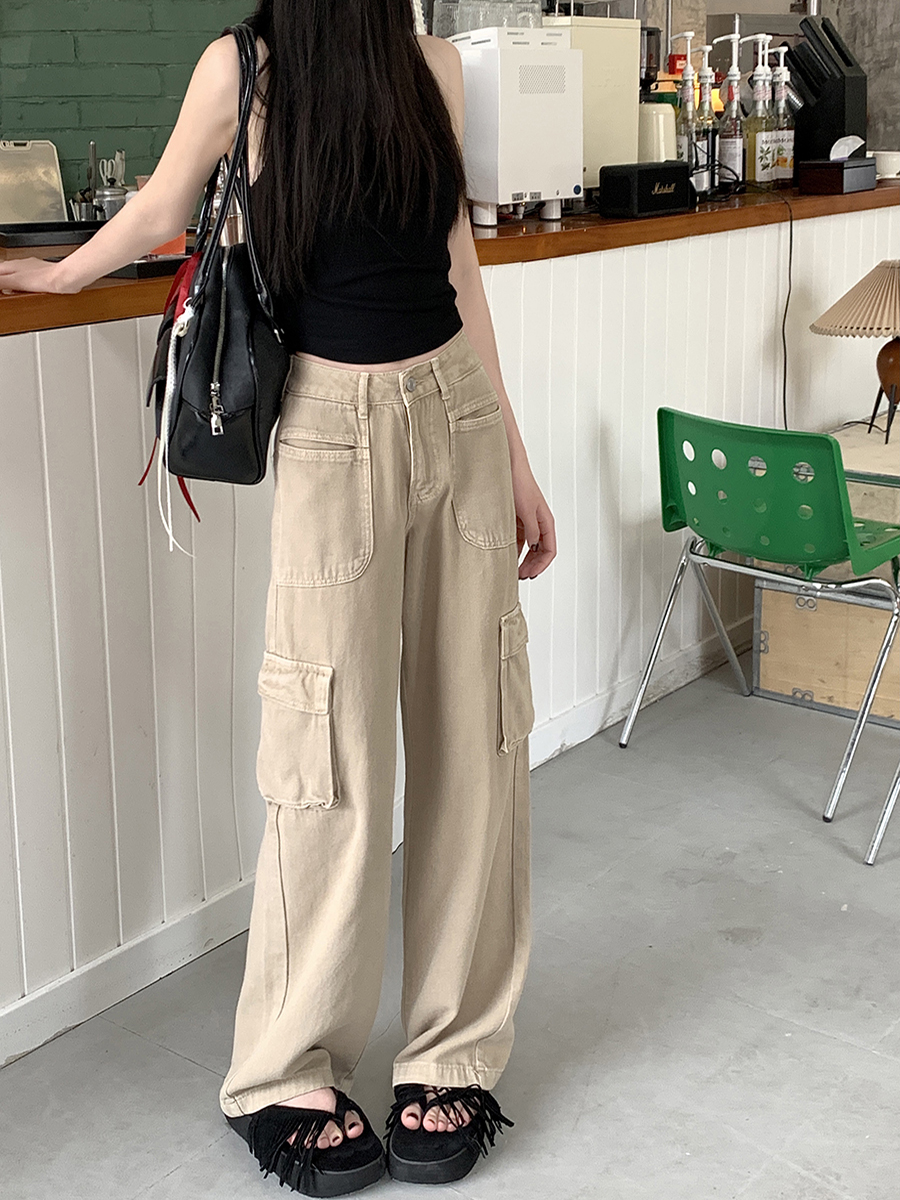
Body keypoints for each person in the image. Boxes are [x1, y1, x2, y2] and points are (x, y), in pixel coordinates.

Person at [0, 0, 556, 1192]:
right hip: (328, 427)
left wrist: (512, 455)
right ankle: (286, 1069)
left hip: (455, 414)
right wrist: (56, 275)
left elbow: (457, 262)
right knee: (326, 758)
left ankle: (452, 1054)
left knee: (478, 742)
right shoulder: (242, 68)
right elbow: (161, 210)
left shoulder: (435, 67)